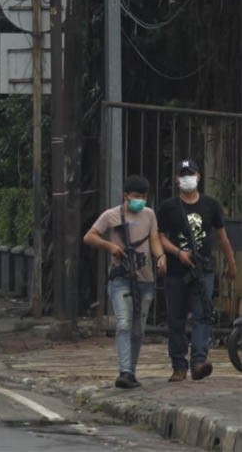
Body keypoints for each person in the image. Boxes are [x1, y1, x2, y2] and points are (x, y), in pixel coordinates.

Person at [157, 159, 237, 382]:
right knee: (176, 318)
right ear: (176, 179)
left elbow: (222, 236)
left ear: (199, 177)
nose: (187, 178)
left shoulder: (210, 205)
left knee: (202, 315)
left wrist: (231, 264)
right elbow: (159, 236)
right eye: (183, 174)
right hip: (176, 270)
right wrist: (177, 253)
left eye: (190, 174)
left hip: (203, 269)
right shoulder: (168, 207)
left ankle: (199, 361)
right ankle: (179, 365)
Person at [83, 175, 166, 389]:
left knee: (138, 329)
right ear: (126, 196)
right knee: (123, 323)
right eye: (137, 196)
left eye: (144, 196)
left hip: (145, 278)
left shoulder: (149, 215)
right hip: (120, 277)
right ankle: (125, 371)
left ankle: (132, 370)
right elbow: (89, 236)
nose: (140, 200)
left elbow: (154, 238)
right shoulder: (111, 216)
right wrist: (111, 247)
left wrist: (160, 256)